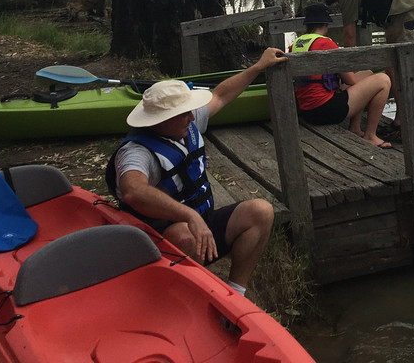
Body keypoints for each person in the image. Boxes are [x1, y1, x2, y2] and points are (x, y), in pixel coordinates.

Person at [106, 47, 286, 295]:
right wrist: (190, 216)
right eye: (185, 114)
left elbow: (222, 95)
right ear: (160, 120)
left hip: (200, 221)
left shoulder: (183, 123)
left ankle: (236, 293)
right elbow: (133, 192)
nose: (193, 117)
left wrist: (258, 66)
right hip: (159, 237)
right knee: (186, 236)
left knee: (261, 212)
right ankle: (189, 297)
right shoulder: (137, 151)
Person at [322, 0, 414, 130]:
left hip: (405, 12)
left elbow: (349, 34)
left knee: (396, 67)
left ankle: (403, 121)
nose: (338, 3)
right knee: (398, 64)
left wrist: (349, 71)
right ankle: (405, 118)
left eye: (334, 0)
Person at [288, 3, 393, 149]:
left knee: (367, 74)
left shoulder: (296, 44)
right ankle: (370, 136)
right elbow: (350, 80)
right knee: (383, 80)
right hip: (326, 110)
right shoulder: (326, 43)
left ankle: (355, 128)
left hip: (307, 111)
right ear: (326, 23)